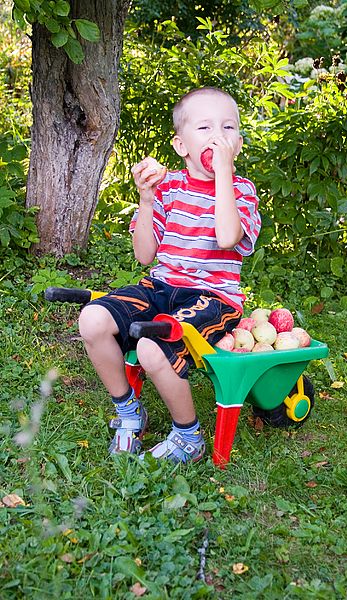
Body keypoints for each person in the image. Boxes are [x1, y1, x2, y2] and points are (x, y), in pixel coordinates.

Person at [78, 87, 261, 464]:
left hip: (213, 298)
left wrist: (224, 172)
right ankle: (129, 414)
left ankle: (188, 436)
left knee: (151, 344)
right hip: (161, 286)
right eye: (205, 128)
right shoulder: (169, 188)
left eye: (228, 128)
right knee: (92, 319)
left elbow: (228, 237)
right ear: (181, 145)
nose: (217, 137)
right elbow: (145, 254)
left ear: (238, 143)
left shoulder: (242, 191)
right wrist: (146, 199)